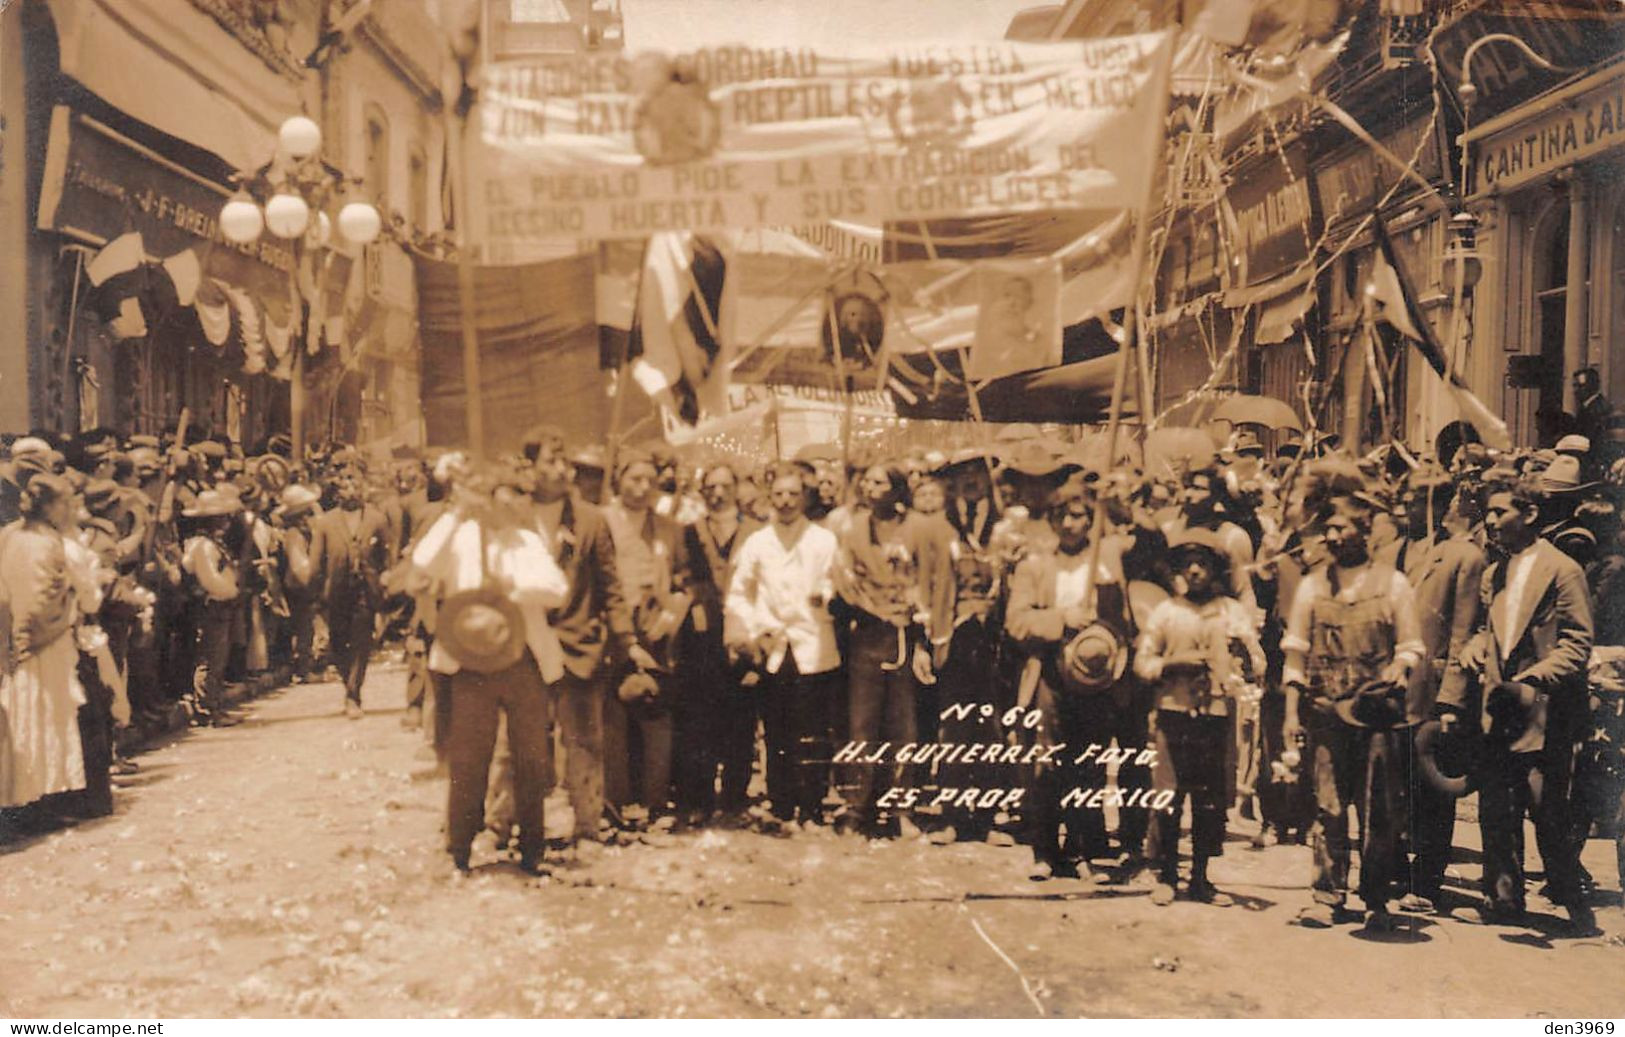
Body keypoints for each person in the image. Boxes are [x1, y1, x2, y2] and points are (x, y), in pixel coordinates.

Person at [1447, 474, 1596, 933]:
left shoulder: (1562, 569)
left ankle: (1576, 908)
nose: (1490, 521)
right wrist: (1474, 645)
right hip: (1501, 709)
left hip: (1546, 715)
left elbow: (1577, 643)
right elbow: (1492, 632)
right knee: (1496, 806)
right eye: (1488, 513)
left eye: (1499, 512)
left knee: (1547, 813)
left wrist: (1534, 679)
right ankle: (1504, 901)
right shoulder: (1498, 572)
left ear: (1529, 514)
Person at [1282, 491, 1423, 931]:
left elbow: (1411, 646)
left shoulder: (1393, 584)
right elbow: (1295, 656)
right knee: (1329, 806)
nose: (1332, 535)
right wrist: (1291, 715)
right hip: (1325, 714)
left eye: (1341, 527)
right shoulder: (1312, 585)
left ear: (1365, 531)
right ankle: (1327, 895)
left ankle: (1377, 899)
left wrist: (1400, 668)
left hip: (1376, 717)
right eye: (1328, 528)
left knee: (1378, 808)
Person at [1005, 477, 1134, 881]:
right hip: (1049, 673)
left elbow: (1147, 539)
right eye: (1062, 517)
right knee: (1046, 763)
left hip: (1097, 676)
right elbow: (1017, 621)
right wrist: (1061, 619)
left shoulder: (1107, 556)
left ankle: (1080, 851)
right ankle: (1044, 850)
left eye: (1079, 516)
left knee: (1088, 764)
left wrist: (1117, 500)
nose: (1070, 525)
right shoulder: (1036, 565)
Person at [526, 428, 642, 856]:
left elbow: (611, 588)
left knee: (585, 742)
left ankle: (587, 825)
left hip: (579, 646)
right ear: (530, 468)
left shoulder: (592, 520)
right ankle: (507, 824)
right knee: (519, 743)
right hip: (524, 648)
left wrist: (626, 639)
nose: (562, 470)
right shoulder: (513, 518)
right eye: (551, 462)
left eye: (565, 462)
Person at [1135, 527, 1265, 906]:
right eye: (1188, 564)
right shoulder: (1167, 612)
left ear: (1215, 569)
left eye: (1202, 563)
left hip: (1215, 716)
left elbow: (1257, 661)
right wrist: (1172, 664)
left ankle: (1202, 878)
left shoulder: (1231, 612)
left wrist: (1244, 655)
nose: (1194, 571)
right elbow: (1142, 662)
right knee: (1168, 797)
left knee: (1209, 800)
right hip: (1173, 715)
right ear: (1177, 569)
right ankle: (1168, 875)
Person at [832, 462, 953, 838]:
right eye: (867, 480)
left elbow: (933, 581)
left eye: (880, 480)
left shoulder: (919, 527)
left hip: (907, 637)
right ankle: (857, 809)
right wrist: (867, 605)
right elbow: (844, 580)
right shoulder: (852, 531)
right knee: (862, 726)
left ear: (897, 487)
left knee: (904, 726)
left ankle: (902, 808)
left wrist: (923, 636)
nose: (871, 487)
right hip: (867, 636)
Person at [726, 467, 841, 831]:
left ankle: (811, 807)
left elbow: (836, 580)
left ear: (805, 497)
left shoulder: (823, 540)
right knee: (776, 728)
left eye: (793, 494)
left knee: (813, 729)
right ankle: (781, 804)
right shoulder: (758, 542)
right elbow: (738, 591)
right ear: (769, 498)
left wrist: (825, 595)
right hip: (772, 643)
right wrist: (754, 626)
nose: (786, 502)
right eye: (779, 495)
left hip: (813, 640)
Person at [1398, 472, 1486, 915]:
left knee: (1433, 785)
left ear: (1440, 505)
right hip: (1399, 687)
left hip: (1434, 692)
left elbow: (1462, 630)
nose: (1406, 510)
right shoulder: (1404, 551)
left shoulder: (1465, 557)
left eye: (1414, 502)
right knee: (1400, 782)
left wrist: (1452, 698)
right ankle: (1400, 872)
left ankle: (1429, 883)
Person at [0, 474, 101, 821]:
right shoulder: (54, 542)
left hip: (14, 639)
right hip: (48, 641)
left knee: (24, 713)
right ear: (53, 506)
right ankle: (47, 799)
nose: (72, 509)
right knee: (50, 715)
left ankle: (22, 797)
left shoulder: (9, 534)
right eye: (68, 503)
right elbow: (58, 597)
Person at [676, 463, 761, 825]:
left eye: (725, 486)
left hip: (744, 634)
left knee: (741, 720)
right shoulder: (688, 533)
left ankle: (734, 800)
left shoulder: (756, 532)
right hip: (702, 637)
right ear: (701, 491)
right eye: (710, 487)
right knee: (700, 721)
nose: (718, 493)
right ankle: (699, 800)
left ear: (737, 488)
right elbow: (681, 576)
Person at [312, 467, 391, 719]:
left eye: (355, 485)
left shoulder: (377, 519)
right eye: (345, 487)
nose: (351, 491)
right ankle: (349, 683)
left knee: (361, 642)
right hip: (336, 591)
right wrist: (315, 595)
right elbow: (316, 562)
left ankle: (353, 694)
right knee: (338, 642)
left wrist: (384, 588)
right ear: (337, 493)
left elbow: (386, 559)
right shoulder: (325, 522)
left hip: (365, 592)